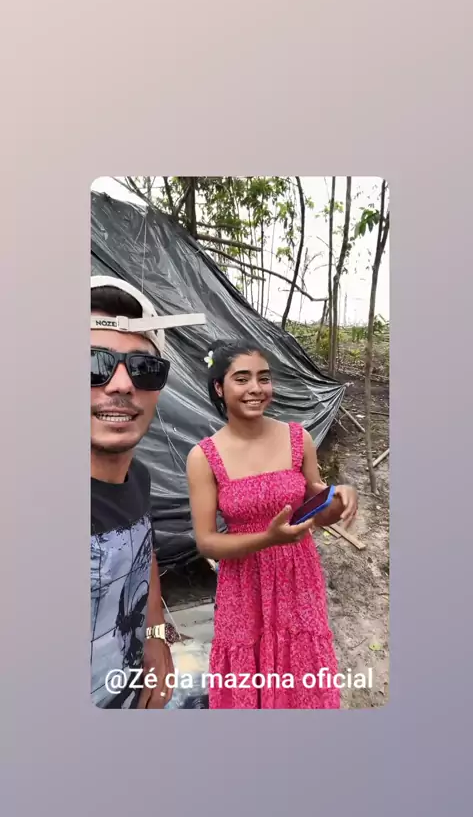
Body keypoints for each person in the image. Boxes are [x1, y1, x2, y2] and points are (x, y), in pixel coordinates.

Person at [186, 339, 358, 709]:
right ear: (219, 387)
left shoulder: (299, 438)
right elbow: (207, 542)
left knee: (301, 670)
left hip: (297, 576)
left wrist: (338, 497)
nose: (256, 388)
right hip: (242, 582)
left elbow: (317, 508)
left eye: (263, 378)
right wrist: (267, 538)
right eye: (242, 379)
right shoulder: (204, 457)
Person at [90, 275, 205, 708]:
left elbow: (144, 552)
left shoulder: (137, 477)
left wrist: (155, 636)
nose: (122, 384)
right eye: (93, 363)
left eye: (143, 369)